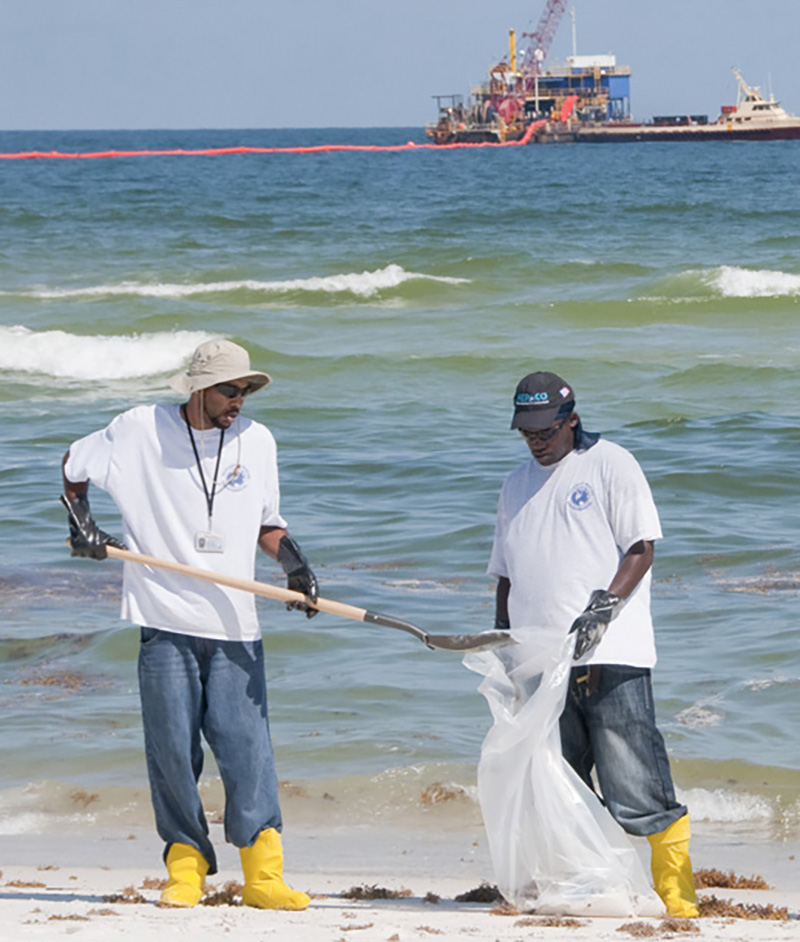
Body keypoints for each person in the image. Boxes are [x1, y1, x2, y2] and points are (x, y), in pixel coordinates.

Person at [61, 339, 318, 911]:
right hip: (162, 618)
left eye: (246, 390)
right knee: (172, 752)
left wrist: (296, 565)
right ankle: (186, 865)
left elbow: (267, 523)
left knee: (248, 751)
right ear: (200, 389)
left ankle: (263, 873)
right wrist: (84, 526)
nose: (240, 401)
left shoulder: (257, 441)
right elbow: (71, 467)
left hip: (235, 624)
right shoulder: (137, 430)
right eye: (231, 390)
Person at [488, 371, 698, 919]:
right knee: (563, 781)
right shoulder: (514, 484)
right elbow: (506, 577)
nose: (536, 440)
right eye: (527, 431)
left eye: (546, 429)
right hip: (540, 657)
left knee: (636, 778)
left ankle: (676, 889)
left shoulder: (610, 463)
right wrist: (506, 646)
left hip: (612, 652)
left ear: (571, 420)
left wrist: (603, 609)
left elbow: (640, 547)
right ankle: (586, 884)